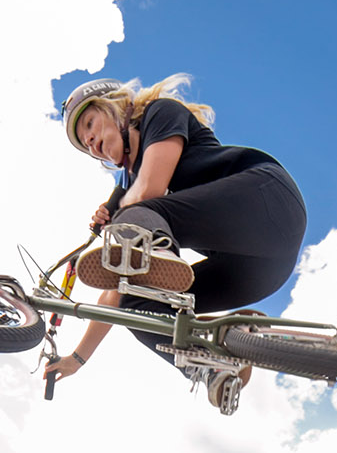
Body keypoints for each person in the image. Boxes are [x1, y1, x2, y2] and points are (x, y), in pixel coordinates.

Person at [45, 74, 307, 411]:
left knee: (134, 217)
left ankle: (157, 255)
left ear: (116, 108)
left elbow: (150, 189)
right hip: (262, 269)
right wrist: (77, 359)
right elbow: (115, 296)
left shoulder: (160, 114)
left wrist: (119, 214)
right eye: (86, 143)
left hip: (269, 202)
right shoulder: (128, 191)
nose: (91, 141)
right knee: (134, 305)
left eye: (90, 124)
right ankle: (212, 364)